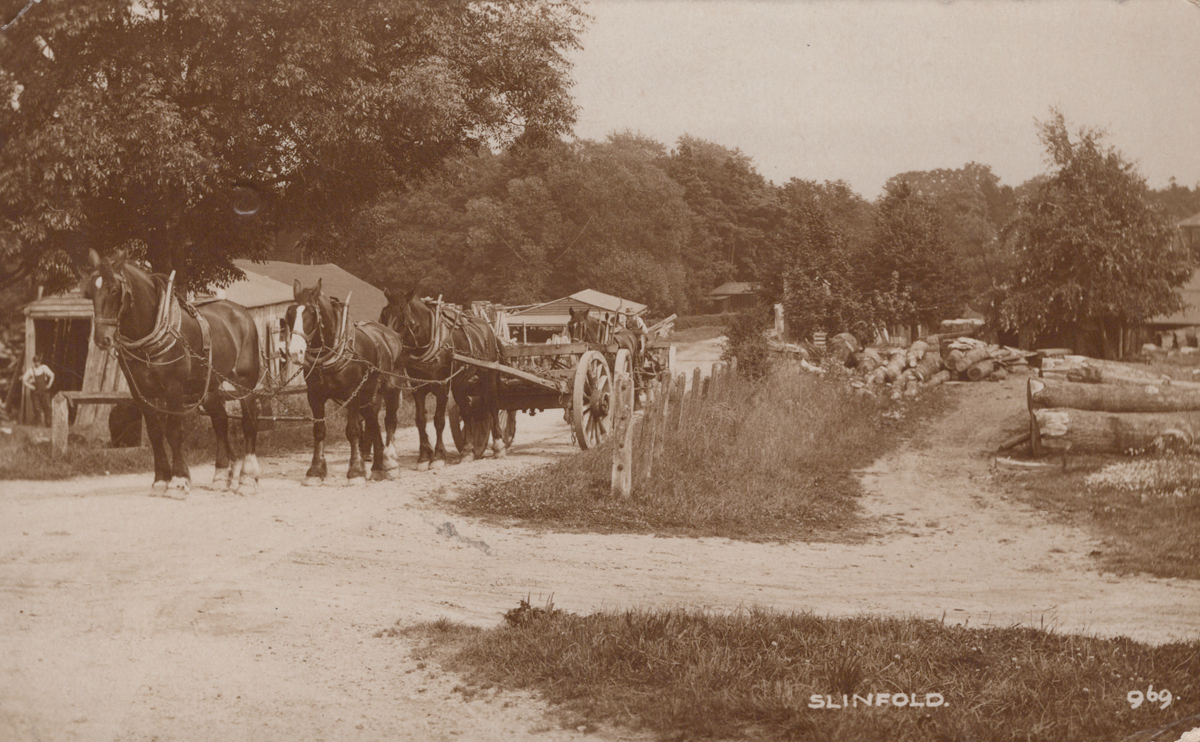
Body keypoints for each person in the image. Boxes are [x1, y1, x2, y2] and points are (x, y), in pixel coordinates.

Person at [22, 354, 55, 428]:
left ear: (40, 361)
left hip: (45, 391)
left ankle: (48, 425)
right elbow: (24, 380)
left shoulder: (44, 368)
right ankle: (38, 425)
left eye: (38, 361)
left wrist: (49, 385)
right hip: (35, 393)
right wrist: (31, 386)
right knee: (37, 408)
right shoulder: (31, 370)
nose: (37, 363)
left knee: (48, 407)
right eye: (36, 361)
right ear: (34, 362)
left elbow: (52, 375)